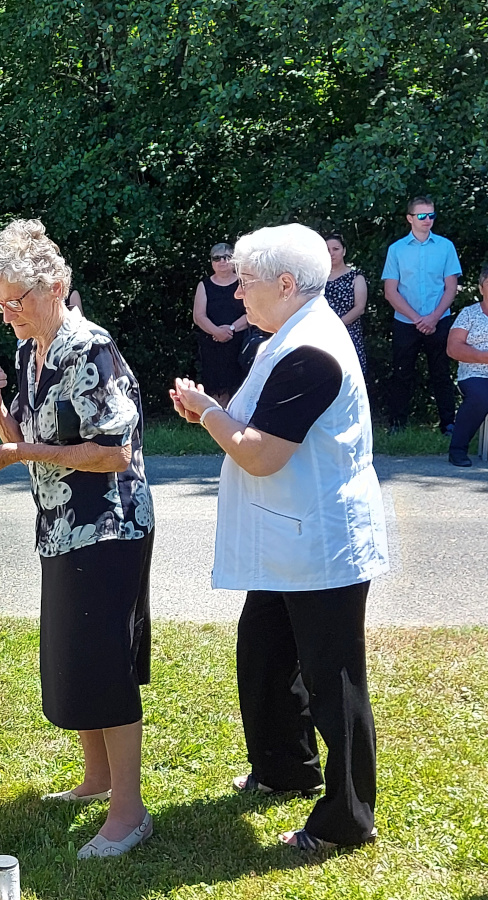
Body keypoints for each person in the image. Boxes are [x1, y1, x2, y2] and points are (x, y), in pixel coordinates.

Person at [170, 223, 388, 854]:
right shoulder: (282, 337)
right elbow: (250, 419)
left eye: (247, 281)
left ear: (286, 284)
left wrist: (209, 413)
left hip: (320, 543)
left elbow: (260, 454)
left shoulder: (311, 351)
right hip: (287, 538)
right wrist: (209, 405)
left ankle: (347, 819)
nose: (237, 294)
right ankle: (284, 769)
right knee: (264, 654)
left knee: (333, 677)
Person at [0, 219, 155, 859]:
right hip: (60, 526)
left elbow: (114, 454)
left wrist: (18, 450)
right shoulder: (28, 351)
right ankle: (97, 781)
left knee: (105, 661)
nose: (8, 311)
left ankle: (129, 813)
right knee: (75, 657)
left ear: (58, 286)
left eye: (18, 298)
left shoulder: (89, 350)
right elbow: (29, 438)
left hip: (109, 526)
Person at [382, 195, 460, 435]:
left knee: (441, 373)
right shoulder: (396, 250)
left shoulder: (446, 246)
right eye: (422, 215)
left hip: (439, 320)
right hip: (406, 322)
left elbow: (451, 287)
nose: (428, 220)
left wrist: (434, 318)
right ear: (410, 218)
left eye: (431, 215)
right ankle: (398, 424)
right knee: (402, 373)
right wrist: (418, 319)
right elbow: (390, 292)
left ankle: (448, 424)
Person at [192, 242, 248, 408]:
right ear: (212, 262)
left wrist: (230, 330)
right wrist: (216, 332)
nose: (222, 261)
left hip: (241, 344)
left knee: (241, 386)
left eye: (227, 257)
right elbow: (199, 316)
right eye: (217, 258)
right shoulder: (204, 285)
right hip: (213, 346)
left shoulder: (244, 283)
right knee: (217, 389)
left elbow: (252, 313)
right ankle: (218, 421)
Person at [445, 266, 488, 467]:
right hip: (474, 373)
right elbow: (453, 348)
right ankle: (457, 449)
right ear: (481, 288)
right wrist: (481, 357)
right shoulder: (469, 314)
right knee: (481, 396)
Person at [323, 233, 367, 371]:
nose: (331, 254)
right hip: (322, 334)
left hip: (348, 334)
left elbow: (360, 308)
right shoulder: (317, 278)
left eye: (335, 249)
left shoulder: (356, 277)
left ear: (344, 251)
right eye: (327, 250)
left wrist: (336, 326)